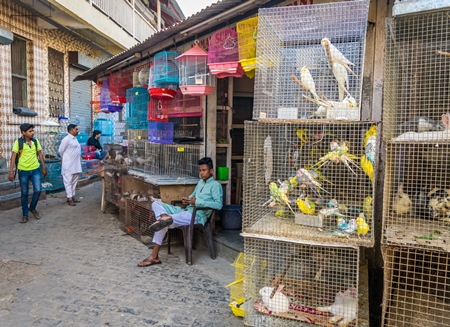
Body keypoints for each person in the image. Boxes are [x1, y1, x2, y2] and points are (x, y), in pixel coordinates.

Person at [137, 157, 223, 267]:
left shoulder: (216, 185)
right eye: (200, 170)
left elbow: (218, 205)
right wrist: (187, 199)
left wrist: (198, 202)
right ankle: (164, 217)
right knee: (156, 204)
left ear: (211, 171)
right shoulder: (200, 183)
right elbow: (193, 196)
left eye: (204, 170)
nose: (201, 173)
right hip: (185, 211)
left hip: (197, 215)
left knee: (162, 224)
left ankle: (154, 256)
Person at [9, 124, 47, 223]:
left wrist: (43, 166)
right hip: (23, 171)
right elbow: (13, 156)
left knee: (38, 190)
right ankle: (25, 214)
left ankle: (32, 208)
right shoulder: (18, 142)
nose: (32, 133)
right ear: (23, 132)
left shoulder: (35, 141)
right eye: (30, 131)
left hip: (35, 170)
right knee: (24, 193)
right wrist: (11, 171)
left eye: (32, 131)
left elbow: (40, 153)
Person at [58, 124, 82, 206]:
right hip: (68, 164)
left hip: (76, 164)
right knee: (68, 181)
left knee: (74, 181)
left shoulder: (75, 139)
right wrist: (64, 159)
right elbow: (61, 151)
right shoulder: (66, 139)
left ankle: (72, 196)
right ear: (71, 130)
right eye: (76, 129)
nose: (77, 131)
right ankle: (69, 198)